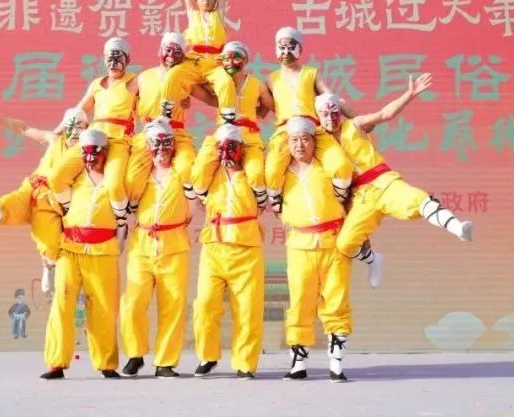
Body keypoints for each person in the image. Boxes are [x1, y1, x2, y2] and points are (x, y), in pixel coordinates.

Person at [312, 87, 474, 270]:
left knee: (419, 201)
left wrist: (409, 94)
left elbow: (384, 114)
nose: (330, 118)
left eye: (334, 112)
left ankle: (458, 228)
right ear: (318, 116)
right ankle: (373, 260)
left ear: (340, 113)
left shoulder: (354, 125)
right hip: (362, 198)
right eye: (324, 114)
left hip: (384, 182)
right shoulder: (320, 140)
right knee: (344, 244)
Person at [0, 105, 87, 294]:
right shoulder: (53, 139)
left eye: (80, 126)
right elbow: (23, 128)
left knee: (50, 246)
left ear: (87, 128)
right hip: (31, 190)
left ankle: (49, 267)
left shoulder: (87, 154)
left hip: (51, 206)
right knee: (4, 204)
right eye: (70, 125)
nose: (74, 131)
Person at [41, 129, 122, 379]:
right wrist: (83, 146)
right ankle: (56, 363)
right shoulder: (74, 179)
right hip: (70, 248)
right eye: (85, 154)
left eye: (95, 153)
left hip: (103, 251)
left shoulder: (116, 182)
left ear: (106, 152)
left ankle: (106, 364)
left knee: (103, 306)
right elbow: (56, 177)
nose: (90, 159)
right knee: (62, 302)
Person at [278, 117, 352, 382]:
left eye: (305, 140)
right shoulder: (280, 174)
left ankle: (337, 363)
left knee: (336, 300)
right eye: (294, 140)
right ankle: (298, 363)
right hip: (300, 246)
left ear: (314, 142)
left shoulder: (327, 168)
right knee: (300, 302)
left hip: (333, 243)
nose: (300, 146)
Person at [120, 119, 195, 378]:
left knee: (173, 304)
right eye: (156, 143)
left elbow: (193, 206)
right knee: (132, 302)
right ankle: (135, 354)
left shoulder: (183, 174)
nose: (162, 149)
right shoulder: (140, 177)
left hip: (174, 246)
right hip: (141, 246)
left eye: (167, 143)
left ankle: (165, 362)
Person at [49, 38, 139, 248]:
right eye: (110, 58)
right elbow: (78, 111)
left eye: (119, 57)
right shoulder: (96, 84)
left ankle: (121, 223)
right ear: (104, 59)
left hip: (118, 140)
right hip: (91, 139)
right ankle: (69, 212)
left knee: (114, 185)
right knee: (57, 177)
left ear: (128, 59)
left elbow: (152, 101)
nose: (114, 62)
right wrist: (55, 133)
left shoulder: (135, 82)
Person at [191, 124, 264, 379]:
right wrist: (214, 141)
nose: (226, 154)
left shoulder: (254, 175)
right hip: (214, 246)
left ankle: (245, 362)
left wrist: (248, 147)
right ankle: (207, 355)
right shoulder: (212, 175)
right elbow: (197, 178)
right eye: (222, 148)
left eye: (232, 147)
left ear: (242, 149)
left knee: (248, 309)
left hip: (246, 249)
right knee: (204, 305)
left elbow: (261, 177)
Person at [263, 26, 354, 210]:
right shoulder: (270, 79)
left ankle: (338, 201)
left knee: (341, 164)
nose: (286, 52)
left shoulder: (311, 73)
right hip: (285, 131)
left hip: (313, 129)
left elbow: (331, 98)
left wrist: (356, 119)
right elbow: (261, 110)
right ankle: (277, 204)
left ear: (300, 49)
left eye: (291, 47)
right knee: (272, 171)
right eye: (282, 47)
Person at [159, 0, 238, 125]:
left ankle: (228, 120)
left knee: (226, 82)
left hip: (214, 64)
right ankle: (166, 113)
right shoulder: (193, 14)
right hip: (193, 62)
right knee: (173, 74)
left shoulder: (219, 15)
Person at [191, 41, 272, 208]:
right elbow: (205, 95)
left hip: (249, 138)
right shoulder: (217, 82)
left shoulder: (257, 84)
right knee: (199, 173)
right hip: (222, 137)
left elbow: (271, 105)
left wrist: (258, 114)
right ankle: (206, 200)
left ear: (245, 60)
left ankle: (259, 203)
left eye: (236, 58)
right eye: (226, 59)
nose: (230, 63)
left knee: (256, 174)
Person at [125, 32, 204, 204]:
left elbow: (211, 98)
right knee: (132, 180)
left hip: (177, 133)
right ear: (159, 51)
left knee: (187, 169)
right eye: (167, 50)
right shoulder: (143, 77)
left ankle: (188, 207)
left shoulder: (185, 78)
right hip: (148, 133)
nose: (171, 55)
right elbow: (123, 98)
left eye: (177, 52)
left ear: (183, 57)